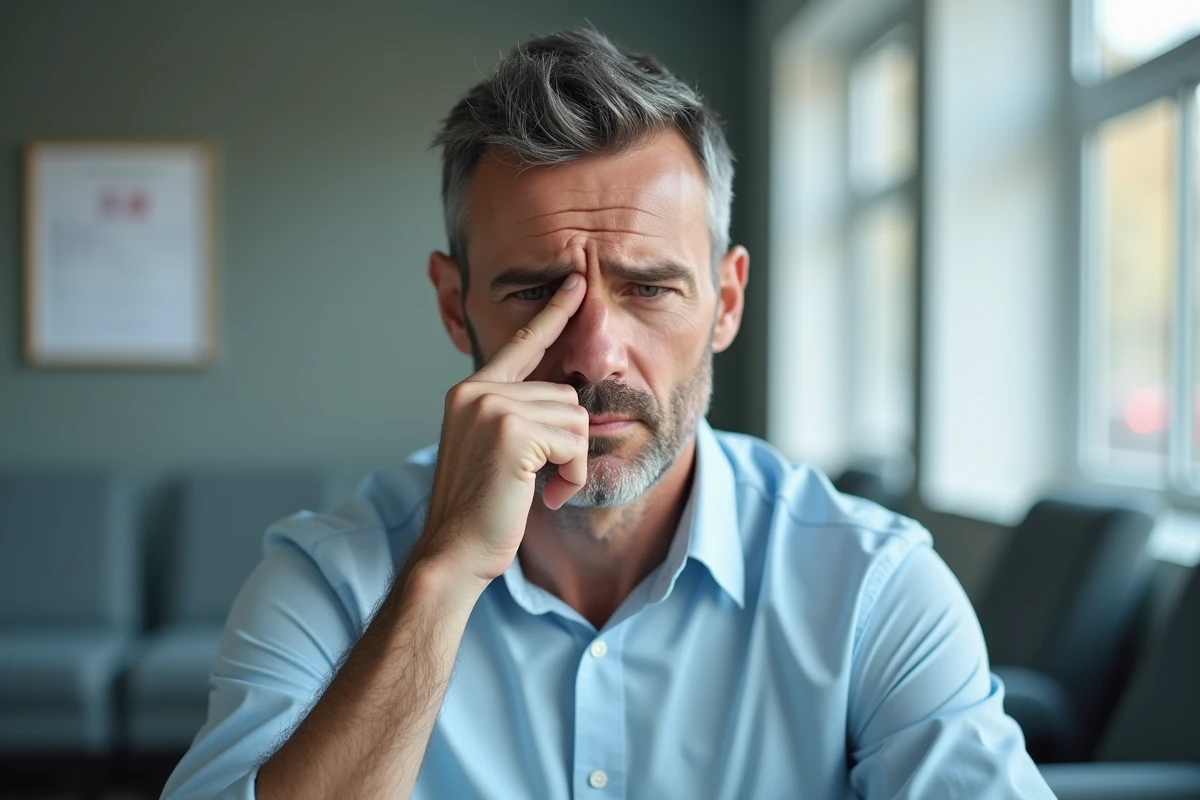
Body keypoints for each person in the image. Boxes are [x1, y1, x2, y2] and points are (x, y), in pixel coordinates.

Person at [161, 28, 1054, 800]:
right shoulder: (328, 580)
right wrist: (439, 578)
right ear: (453, 304)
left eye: (650, 288)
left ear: (728, 301)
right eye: (537, 293)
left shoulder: (871, 587)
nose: (593, 353)